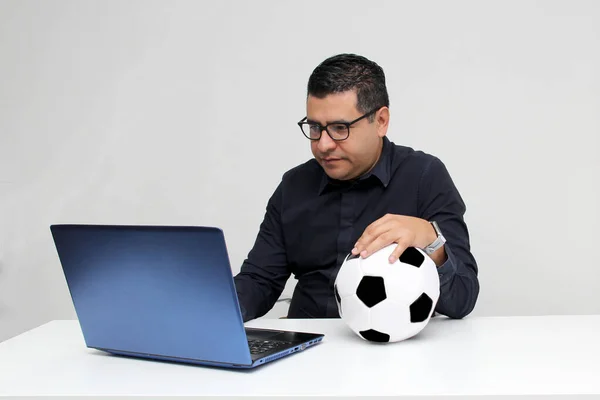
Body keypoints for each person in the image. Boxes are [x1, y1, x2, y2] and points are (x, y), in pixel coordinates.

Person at [234, 53, 479, 321]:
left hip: (396, 352)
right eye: (315, 127)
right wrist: (209, 309)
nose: (323, 144)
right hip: (309, 346)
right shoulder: (294, 186)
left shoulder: (424, 176)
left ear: (381, 121)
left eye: (340, 128)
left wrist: (431, 240)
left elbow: (462, 300)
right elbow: (259, 282)